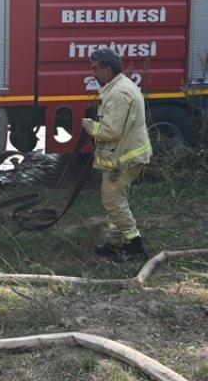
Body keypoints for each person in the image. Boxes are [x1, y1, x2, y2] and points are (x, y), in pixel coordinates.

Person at [81, 47, 152, 260]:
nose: (93, 73)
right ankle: (115, 242)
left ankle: (135, 245)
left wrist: (89, 126)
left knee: (113, 201)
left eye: (96, 68)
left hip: (123, 159)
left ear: (107, 68)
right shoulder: (120, 86)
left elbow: (111, 131)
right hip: (124, 156)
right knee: (113, 199)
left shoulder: (119, 92)